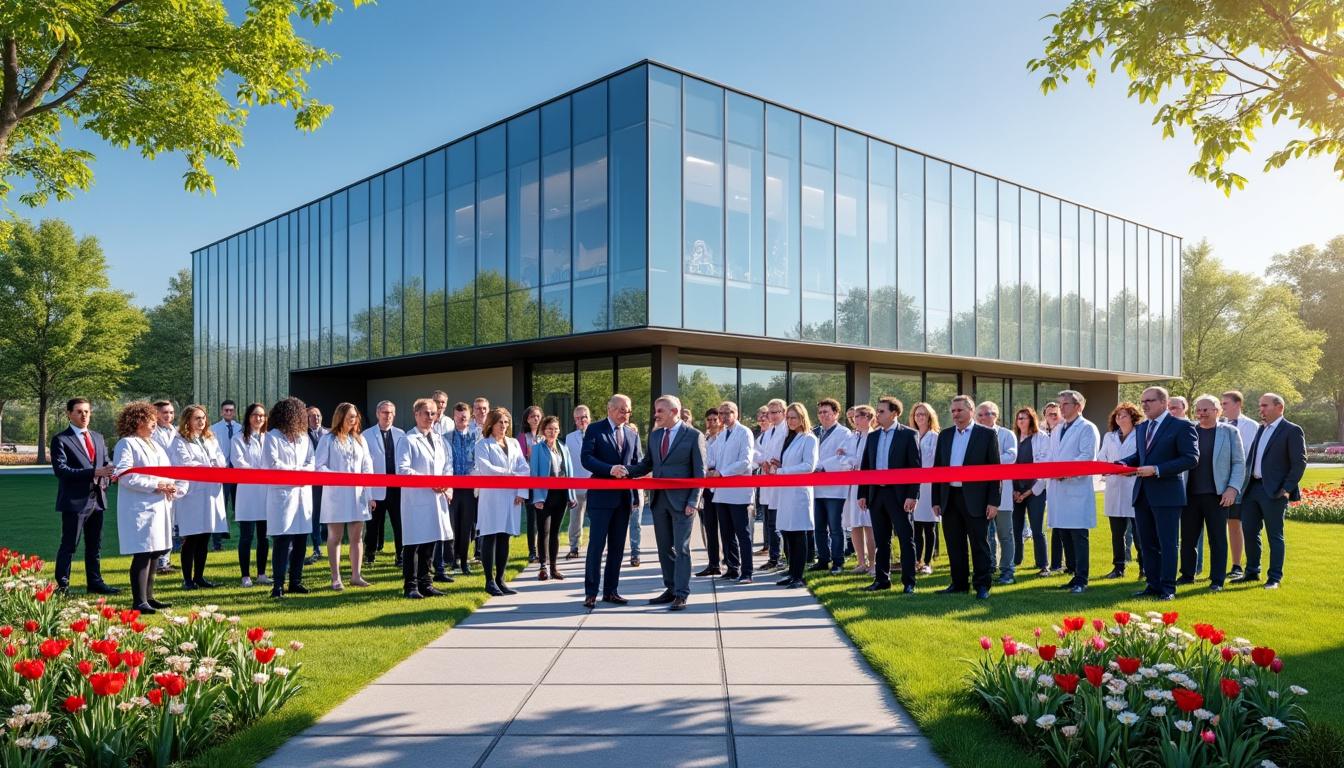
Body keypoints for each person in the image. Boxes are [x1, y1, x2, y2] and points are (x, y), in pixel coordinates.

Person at [626, 395, 707, 611]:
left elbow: (700, 473)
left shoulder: (694, 436)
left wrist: (694, 500)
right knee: (664, 549)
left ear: (674, 412)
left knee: (681, 548)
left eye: (660, 410)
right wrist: (626, 471)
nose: (656, 414)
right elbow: (647, 464)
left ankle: (681, 593)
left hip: (683, 502)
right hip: (660, 500)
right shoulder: (655, 436)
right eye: (656, 410)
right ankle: (670, 589)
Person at [1121, 386, 1199, 601]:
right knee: (1147, 543)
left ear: (1164, 403)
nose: (1144, 405)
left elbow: (1191, 458)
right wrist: (1122, 464)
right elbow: (1140, 456)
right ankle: (1152, 584)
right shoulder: (1142, 427)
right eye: (1142, 401)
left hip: (1167, 495)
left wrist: (1157, 470)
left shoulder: (1181, 426)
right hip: (1143, 494)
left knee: (1167, 543)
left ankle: (1168, 588)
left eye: (1150, 401)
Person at [111, 402, 184, 613]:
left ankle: (149, 597)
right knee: (143, 553)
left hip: (158, 505)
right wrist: (156, 484)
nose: (154, 423)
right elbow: (124, 475)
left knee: (155, 552)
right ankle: (139, 601)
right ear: (137, 421)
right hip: (140, 506)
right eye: (149, 419)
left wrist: (169, 485)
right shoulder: (127, 444)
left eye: (154, 419)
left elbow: (164, 471)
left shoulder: (154, 444)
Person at [1233, 393, 1306, 590]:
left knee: (1275, 535)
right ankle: (1252, 572)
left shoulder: (1292, 430)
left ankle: (1274, 578)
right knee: (1249, 531)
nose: (1261, 409)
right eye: (1260, 405)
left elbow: (1299, 463)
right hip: (1252, 489)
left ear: (1279, 407)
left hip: (1274, 491)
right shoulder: (1261, 429)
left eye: (1265, 406)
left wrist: (1286, 489)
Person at [932, 395, 1001, 600]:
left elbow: (995, 471)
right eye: (953, 411)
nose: (955, 414)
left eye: (959, 410)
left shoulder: (987, 435)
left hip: (976, 499)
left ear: (970, 410)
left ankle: (982, 585)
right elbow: (937, 469)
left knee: (979, 543)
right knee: (954, 543)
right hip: (950, 497)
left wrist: (993, 501)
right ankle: (959, 583)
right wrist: (936, 499)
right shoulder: (944, 436)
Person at [1033, 390, 1100, 594]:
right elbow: (1051, 457)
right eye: (1060, 404)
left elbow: (1087, 457)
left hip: (1075, 487)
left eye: (1065, 404)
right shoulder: (1058, 429)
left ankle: (1082, 578)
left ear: (1078, 406)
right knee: (1064, 533)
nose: (1061, 408)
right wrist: (1048, 471)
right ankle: (1072, 574)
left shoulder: (1087, 428)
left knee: (1079, 535)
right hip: (1058, 488)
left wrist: (1064, 472)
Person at [579, 394, 642, 608]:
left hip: (624, 500)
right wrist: (609, 469)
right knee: (596, 546)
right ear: (610, 409)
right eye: (622, 410)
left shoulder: (632, 435)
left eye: (628, 410)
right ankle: (590, 593)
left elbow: (636, 465)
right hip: (601, 498)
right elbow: (586, 458)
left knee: (617, 547)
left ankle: (611, 591)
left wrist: (634, 495)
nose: (626, 414)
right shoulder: (595, 429)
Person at [51, 397, 117, 595]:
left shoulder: (98, 437)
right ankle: (62, 586)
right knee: (69, 545)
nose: (84, 415)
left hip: (97, 499)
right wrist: (93, 473)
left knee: (95, 546)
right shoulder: (61, 439)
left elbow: (105, 463)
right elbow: (61, 470)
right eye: (79, 411)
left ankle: (95, 583)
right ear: (69, 414)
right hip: (74, 501)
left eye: (87, 411)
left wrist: (107, 477)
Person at [1179, 395, 1245, 592]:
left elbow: (1239, 463)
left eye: (1206, 410)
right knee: (1188, 538)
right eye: (1198, 410)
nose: (1201, 413)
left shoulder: (1230, 432)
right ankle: (1187, 575)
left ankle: (1217, 580)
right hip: (1190, 494)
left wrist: (1232, 489)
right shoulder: (1189, 431)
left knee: (1217, 539)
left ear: (1218, 411)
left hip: (1218, 495)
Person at [857, 396, 923, 593]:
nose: (877, 414)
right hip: (877, 495)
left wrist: (913, 495)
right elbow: (866, 467)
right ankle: (882, 580)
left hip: (900, 496)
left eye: (881, 411)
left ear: (894, 413)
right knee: (881, 540)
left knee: (905, 538)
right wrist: (862, 493)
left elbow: (915, 467)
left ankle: (909, 582)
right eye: (877, 411)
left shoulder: (909, 435)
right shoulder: (873, 436)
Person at [397, 398, 455, 599]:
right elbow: (403, 470)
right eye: (425, 413)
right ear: (416, 415)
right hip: (416, 498)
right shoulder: (407, 439)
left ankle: (426, 583)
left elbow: (448, 465)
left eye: (433, 413)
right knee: (413, 543)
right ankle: (410, 586)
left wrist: (446, 483)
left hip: (436, 497)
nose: (430, 417)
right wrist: (430, 481)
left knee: (430, 540)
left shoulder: (440, 439)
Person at [316, 402, 375, 591]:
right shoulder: (328, 439)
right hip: (336, 495)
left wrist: (370, 495)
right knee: (335, 537)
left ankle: (356, 576)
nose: (353, 419)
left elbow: (367, 467)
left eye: (355, 416)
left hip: (358, 494)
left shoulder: (360, 440)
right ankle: (336, 578)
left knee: (357, 537)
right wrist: (337, 477)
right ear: (340, 416)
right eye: (350, 415)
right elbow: (319, 466)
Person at [170, 404, 229, 590]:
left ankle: (199, 577)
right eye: (197, 418)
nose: (201, 421)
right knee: (192, 538)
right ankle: (187, 579)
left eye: (203, 418)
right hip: (192, 493)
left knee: (205, 536)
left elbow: (221, 460)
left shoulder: (210, 438)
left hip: (210, 492)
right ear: (188, 420)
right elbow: (185, 463)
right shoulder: (179, 440)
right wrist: (208, 466)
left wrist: (213, 465)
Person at [264, 397, 316, 599]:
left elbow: (312, 460)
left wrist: (303, 472)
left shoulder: (304, 437)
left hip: (303, 494)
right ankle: (278, 585)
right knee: (282, 541)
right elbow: (273, 464)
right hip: (283, 495)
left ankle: (296, 581)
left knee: (302, 540)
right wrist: (298, 473)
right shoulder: (273, 437)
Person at [763, 402, 819, 589]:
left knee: (797, 535)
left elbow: (808, 466)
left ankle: (799, 575)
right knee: (787, 533)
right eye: (788, 417)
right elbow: (790, 462)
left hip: (799, 492)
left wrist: (782, 471)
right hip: (786, 491)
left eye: (793, 417)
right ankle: (791, 572)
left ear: (802, 418)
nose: (790, 421)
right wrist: (779, 464)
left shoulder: (809, 438)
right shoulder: (790, 437)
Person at [473, 407, 529, 597]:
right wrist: (509, 474)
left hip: (511, 497)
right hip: (492, 497)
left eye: (506, 423)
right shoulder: (483, 445)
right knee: (490, 536)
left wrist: (521, 490)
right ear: (491, 424)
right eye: (500, 423)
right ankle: (489, 581)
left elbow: (524, 467)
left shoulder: (513, 443)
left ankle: (501, 579)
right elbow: (486, 468)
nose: (503, 426)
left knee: (505, 536)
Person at [708, 401, 756, 583]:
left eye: (728, 413)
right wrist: (708, 469)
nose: (724, 416)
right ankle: (732, 568)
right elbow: (712, 458)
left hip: (738, 492)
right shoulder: (721, 435)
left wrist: (721, 472)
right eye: (721, 413)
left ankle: (747, 572)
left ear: (737, 413)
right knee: (726, 533)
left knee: (742, 533)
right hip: (721, 492)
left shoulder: (744, 432)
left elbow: (745, 461)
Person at [1097, 402, 1141, 579]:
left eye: (1123, 415)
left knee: (1139, 532)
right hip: (1114, 487)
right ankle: (1118, 568)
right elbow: (1102, 458)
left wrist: (1128, 470)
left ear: (1133, 417)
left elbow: (1141, 458)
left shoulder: (1140, 435)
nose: (1120, 418)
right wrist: (1106, 468)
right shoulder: (1110, 436)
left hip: (1133, 486)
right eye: (1117, 415)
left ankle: (1144, 567)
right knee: (1117, 534)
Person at [529, 415, 576, 581]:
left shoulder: (563, 447)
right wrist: (537, 498)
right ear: (543, 430)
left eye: (555, 429)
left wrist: (571, 494)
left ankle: (554, 567)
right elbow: (534, 473)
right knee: (544, 531)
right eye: (549, 429)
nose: (552, 432)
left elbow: (569, 472)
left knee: (555, 532)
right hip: (544, 495)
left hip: (561, 494)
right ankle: (543, 566)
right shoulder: (537, 449)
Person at [230, 403, 272, 587]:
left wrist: (264, 472)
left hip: (266, 492)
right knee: (246, 536)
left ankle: (261, 573)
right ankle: (245, 575)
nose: (259, 419)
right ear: (248, 417)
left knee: (264, 536)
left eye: (262, 415)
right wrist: (260, 471)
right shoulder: (239, 438)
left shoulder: (269, 438)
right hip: (247, 492)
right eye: (255, 415)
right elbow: (238, 462)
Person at [977, 402, 1019, 585]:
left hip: (1002, 493)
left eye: (987, 414)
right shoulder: (974, 435)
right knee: (985, 535)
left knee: (1004, 534)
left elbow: (1011, 456)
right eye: (980, 415)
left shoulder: (1006, 434)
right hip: (980, 494)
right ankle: (989, 566)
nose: (983, 418)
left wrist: (988, 462)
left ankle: (1007, 571)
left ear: (996, 415)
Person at [1220, 390, 1260, 579]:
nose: (1222, 407)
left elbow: (1248, 458)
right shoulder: (1219, 425)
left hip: (1239, 483)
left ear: (1238, 404)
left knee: (1234, 523)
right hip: (1218, 482)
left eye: (1225, 403)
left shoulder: (1251, 426)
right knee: (1217, 524)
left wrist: (1237, 486)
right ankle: (1217, 565)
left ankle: (1236, 565)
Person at [810, 398, 852, 575]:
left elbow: (843, 458)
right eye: (820, 412)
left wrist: (820, 466)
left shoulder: (844, 433)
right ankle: (823, 559)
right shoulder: (814, 432)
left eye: (826, 412)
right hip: (816, 487)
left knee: (835, 527)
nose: (822, 415)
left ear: (836, 413)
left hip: (835, 488)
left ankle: (837, 561)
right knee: (818, 526)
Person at [362, 401, 405, 568]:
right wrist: (368, 492)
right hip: (376, 488)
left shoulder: (401, 434)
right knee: (372, 525)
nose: (388, 416)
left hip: (397, 489)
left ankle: (400, 555)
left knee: (399, 524)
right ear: (377, 414)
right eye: (385, 412)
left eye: (391, 413)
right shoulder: (366, 435)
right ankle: (369, 555)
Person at [833, 405, 875, 575]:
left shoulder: (873, 436)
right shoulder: (853, 437)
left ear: (869, 417)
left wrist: (849, 459)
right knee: (855, 524)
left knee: (869, 524)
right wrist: (845, 456)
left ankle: (873, 563)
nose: (855, 420)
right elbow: (844, 457)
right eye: (854, 417)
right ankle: (860, 561)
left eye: (859, 416)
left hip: (867, 485)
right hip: (852, 485)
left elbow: (862, 460)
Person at [1011, 407, 1050, 576]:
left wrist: (1029, 492)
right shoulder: (1013, 438)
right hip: (1015, 490)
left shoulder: (1041, 438)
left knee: (1036, 528)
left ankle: (1043, 565)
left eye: (1024, 418)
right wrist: (1014, 491)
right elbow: (1008, 466)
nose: (1021, 421)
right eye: (1019, 418)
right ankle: (1015, 560)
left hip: (1035, 490)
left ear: (1031, 420)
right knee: (1015, 528)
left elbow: (1044, 467)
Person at [445, 402, 479, 575]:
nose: (462, 418)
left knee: (467, 525)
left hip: (469, 488)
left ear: (470, 417)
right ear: (454, 417)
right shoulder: (445, 437)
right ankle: (452, 560)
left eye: (465, 415)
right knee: (452, 524)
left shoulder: (476, 437)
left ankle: (465, 560)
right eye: (459, 415)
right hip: (451, 488)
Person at [755, 399, 788, 570]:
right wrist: (763, 462)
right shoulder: (768, 432)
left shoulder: (787, 430)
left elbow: (787, 454)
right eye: (770, 413)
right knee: (769, 521)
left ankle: (780, 558)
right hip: (767, 478)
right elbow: (758, 451)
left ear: (784, 412)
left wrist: (775, 463)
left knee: (779, 522)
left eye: (776, 412)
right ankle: (773, 557)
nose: (772, 416)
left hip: (781, 480)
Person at [909, 402, 941, 576]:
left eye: (923, 414)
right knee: (916, 526)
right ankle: (916, 560)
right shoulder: (911, 435)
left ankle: (927, 562)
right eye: (917, 414)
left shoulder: (935, 437)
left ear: (929, 417)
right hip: (913, 485)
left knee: (929, 526)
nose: (919, 417)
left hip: (929, 486)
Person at [150, 400, 179, 575]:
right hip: (160, 481)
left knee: (172, 521)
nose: (168, 416)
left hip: (174, 481)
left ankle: (166, 559)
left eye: (171, 412)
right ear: (155, 414)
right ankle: (159, 561)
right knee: (160, 521)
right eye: (164, 412)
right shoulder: (153, 433)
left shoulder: (175, 431)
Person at [697, 407, 725, 577]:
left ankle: (728, 561)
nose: (712, 422)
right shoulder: (704, 438)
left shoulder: (724, 438)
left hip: (721, 486)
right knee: (709, 527)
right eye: (709, 420)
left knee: (725, 528)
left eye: (715, 419)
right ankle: (713, 563)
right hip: (707, 488)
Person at [209, 399, 239, 551]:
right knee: (220, 507)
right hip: (223, 471)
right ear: (221, 412)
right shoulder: (213, 429)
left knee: (239, 507)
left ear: (234, 412)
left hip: (238, 473)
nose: (228, 412)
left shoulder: (240, 428)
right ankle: (217, 542)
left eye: (231, 410)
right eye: (226, 410)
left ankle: (243, 538)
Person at [564, 405, 593, 561]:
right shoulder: (569, 438)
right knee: (575, 518)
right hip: (577, 484)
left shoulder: (597, 434)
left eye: (584, 417)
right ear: (574, 420)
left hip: (595, 483)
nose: (582, 420)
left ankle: (597, 547)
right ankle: (574, 547)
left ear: (589, 418)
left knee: (597, 518)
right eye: (578, 418)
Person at [518, 405, 544, 563]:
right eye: (532, 416)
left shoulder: (545, 435)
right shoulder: (522, 437)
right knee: (531, 519)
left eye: (538, 416)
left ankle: (543, 550)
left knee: (544, 518)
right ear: (527, 419)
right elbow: (520, 460)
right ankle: (532, 552)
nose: (536, 419)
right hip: (529, 482)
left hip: (544, 482)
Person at [305, 406, 330, 565]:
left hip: (328, 481)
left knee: (328, 512)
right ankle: (316, 546)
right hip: (311, 482)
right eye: (312, 416)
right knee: (314, 514)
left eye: (318, 415)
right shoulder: (302, 435)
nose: (316, 419)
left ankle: (330, 542)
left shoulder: (329, 434)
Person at [628, 423, 646, 568]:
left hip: (636, 490)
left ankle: (635, 553)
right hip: (622, 490)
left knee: (635, 524)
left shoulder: (640, 455)